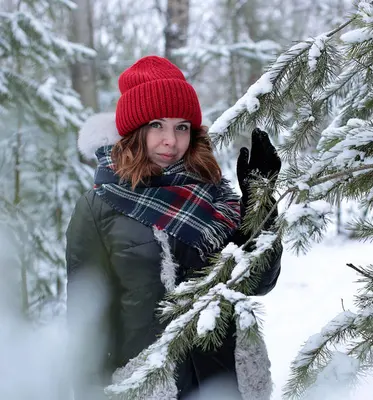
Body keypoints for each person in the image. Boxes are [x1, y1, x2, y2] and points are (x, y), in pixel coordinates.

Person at [66, 55, 282, 400]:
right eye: (157, 125)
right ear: (134, 130)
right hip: (146, 386)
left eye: (182, 127)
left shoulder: (212, 194)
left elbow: (258, 281)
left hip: (223, 380)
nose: (171, 140)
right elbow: (86, 323)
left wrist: (261, 201)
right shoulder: (98, 206)